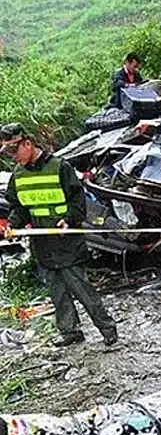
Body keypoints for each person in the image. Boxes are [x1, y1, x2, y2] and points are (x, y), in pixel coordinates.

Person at [1, 123, 118, 348]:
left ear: (28, 143)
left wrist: (70, 219)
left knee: (81, 288)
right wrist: (13, 225)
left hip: (66, 241)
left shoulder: (60, 167)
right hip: (42, 242)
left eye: (15, 151)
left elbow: (78, 201)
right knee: (57, 291)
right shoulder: (18, 174)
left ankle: (107, 328)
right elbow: (19, 207)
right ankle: (69, 331)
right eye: (8, 153)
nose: (13, 157)